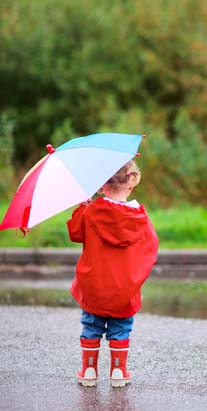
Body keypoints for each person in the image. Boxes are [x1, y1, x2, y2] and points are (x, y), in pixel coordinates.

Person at [67, 160, 159, 387]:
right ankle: (118, 371)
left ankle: (89, 370)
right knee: (120, 326)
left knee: (91, 325)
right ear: (132, 180)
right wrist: (134, 277)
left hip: (94, 285)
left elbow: (75, 233)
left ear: (100, 186)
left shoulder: (91, 212)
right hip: (124, 289)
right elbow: (151, 248)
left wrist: (82, 206)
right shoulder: (140, 218)